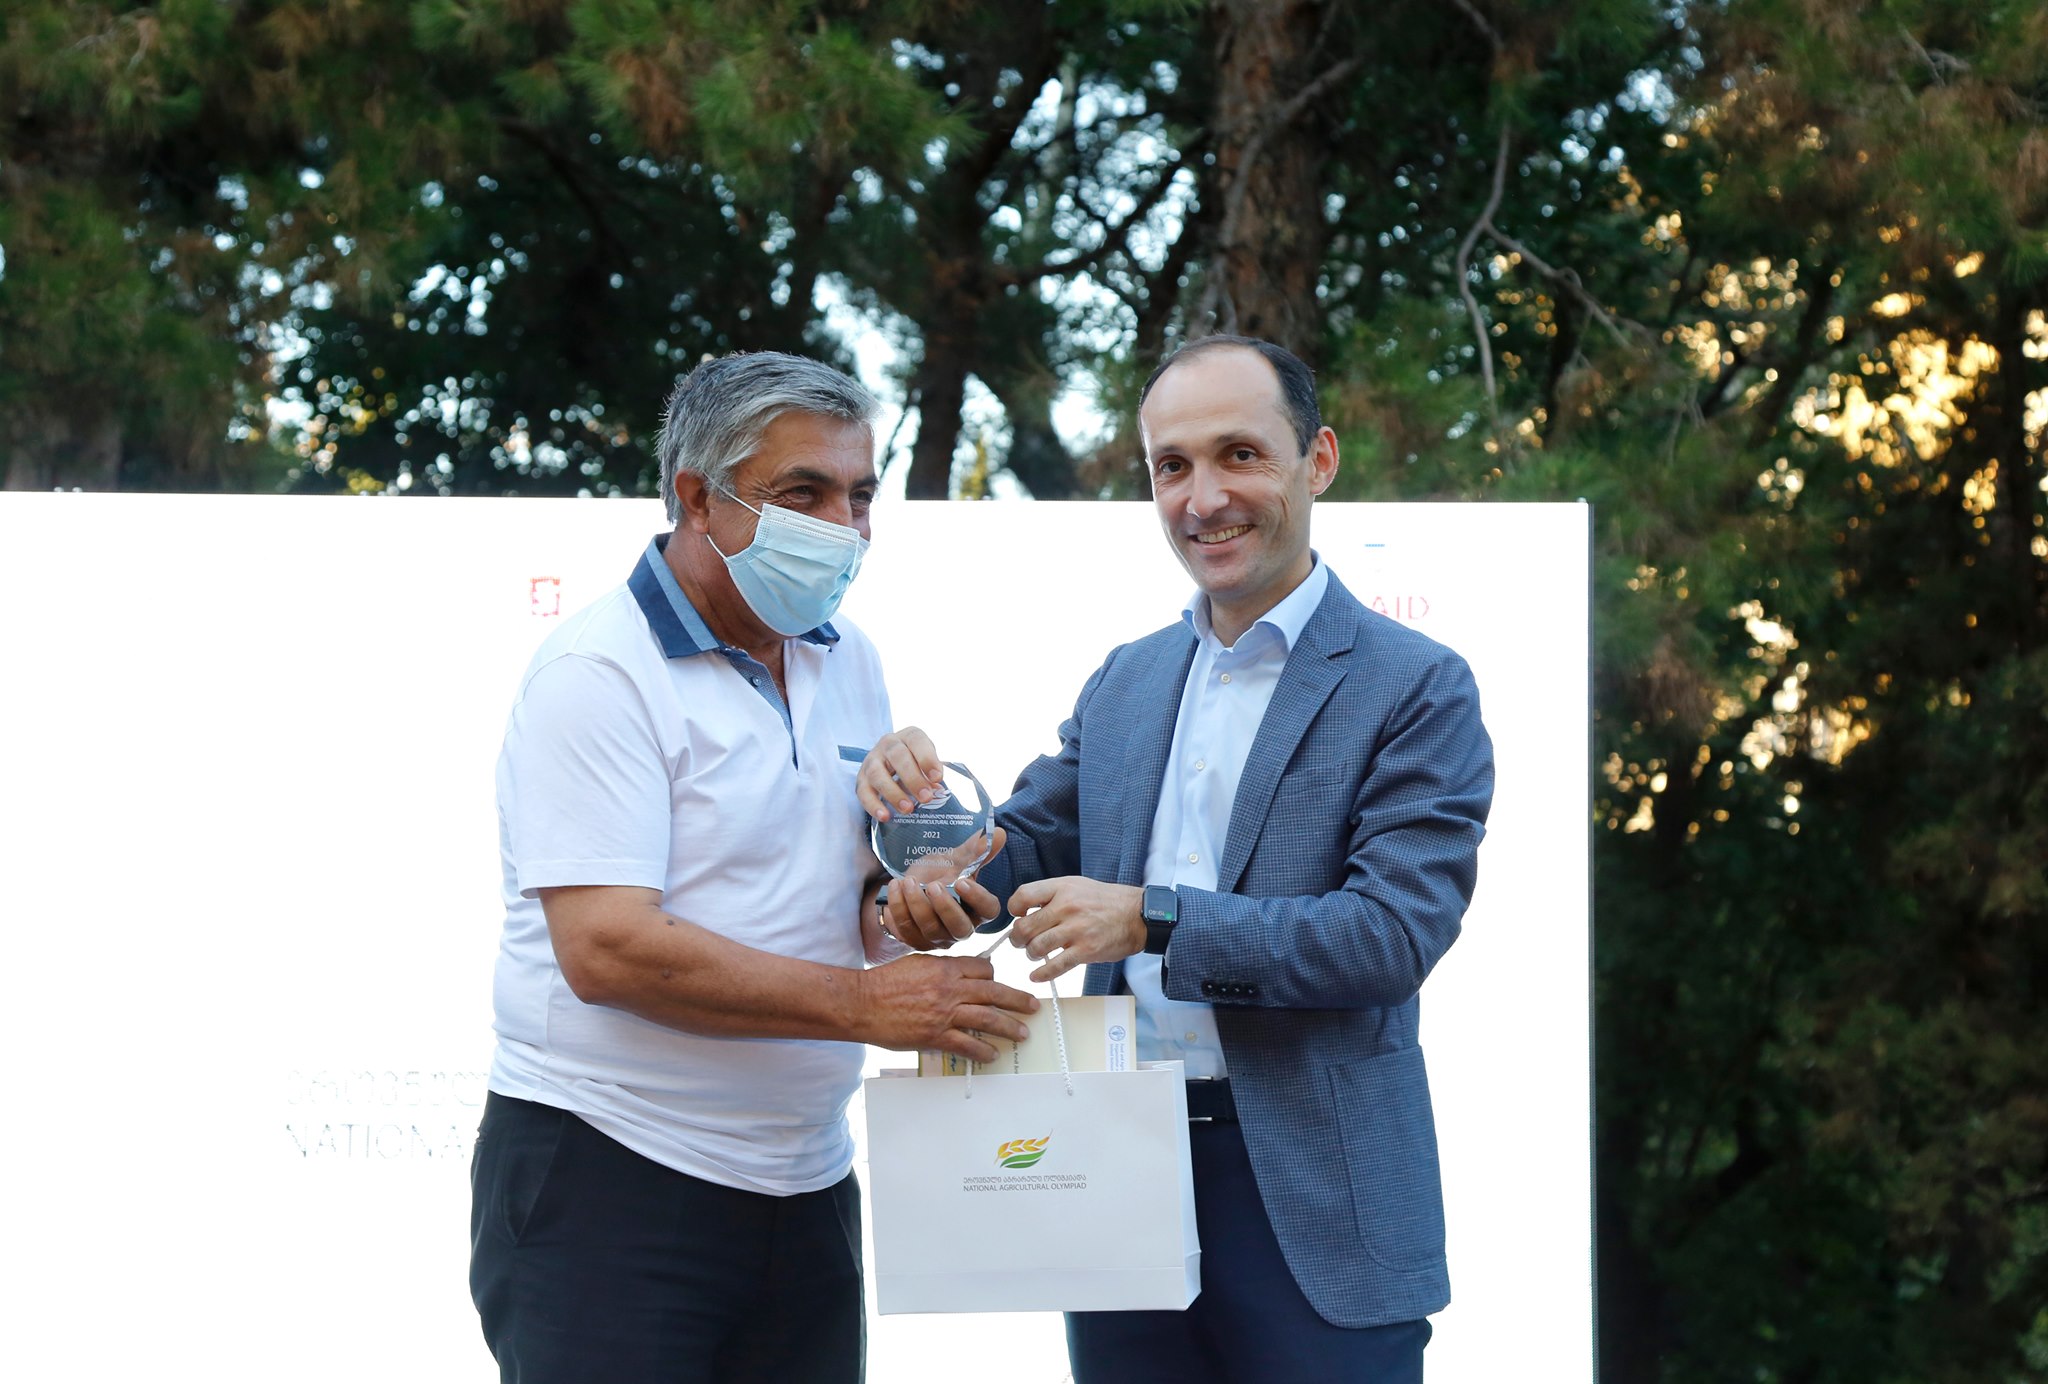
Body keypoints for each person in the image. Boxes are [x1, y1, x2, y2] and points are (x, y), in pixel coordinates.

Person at [858, 335, 1494, 1383]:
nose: (1204, 498)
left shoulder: (1415, 685)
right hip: (1113, 1166)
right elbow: (1020, 848)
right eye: (1172, 465)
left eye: (1239, 454)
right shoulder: (1128, 678)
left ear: (1318, 460)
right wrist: (922, 844)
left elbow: (1388, 937)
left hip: (1316, 1191)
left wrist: (1152, 917)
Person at [469, 351, 1039, 1384]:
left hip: (805, 1181)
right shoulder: (598, 671)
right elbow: (606, 949)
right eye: (803, 493)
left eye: (860, 495)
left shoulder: (847, 653)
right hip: (611, 1176)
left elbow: (846, 901)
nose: (844, 527)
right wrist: (867, 1007)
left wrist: (909, 903)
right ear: (698, 498)